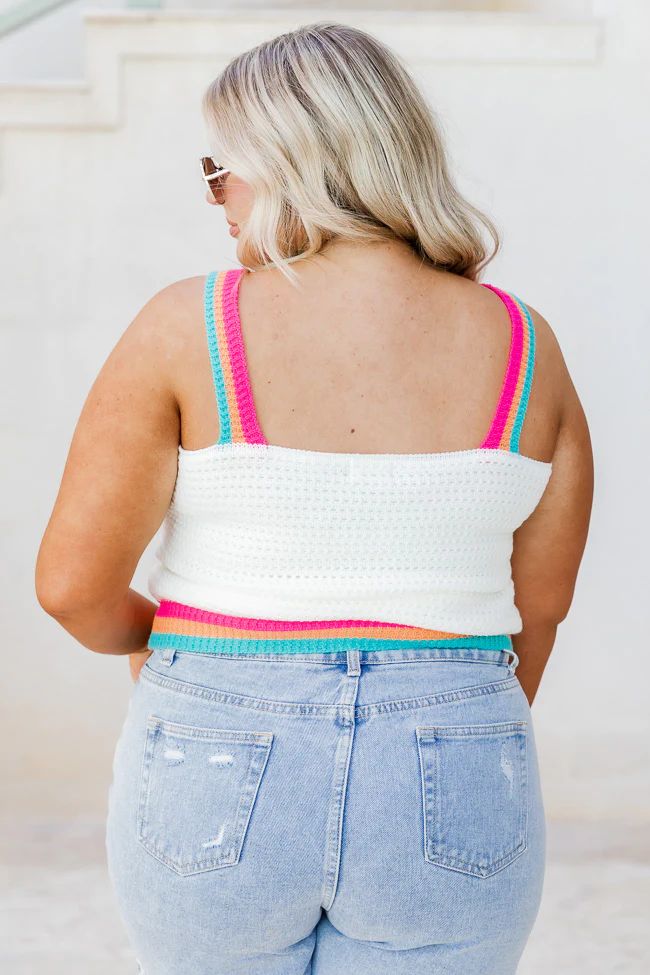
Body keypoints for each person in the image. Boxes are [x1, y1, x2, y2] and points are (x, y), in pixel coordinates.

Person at [35, 21, 593, 975]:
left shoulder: (189, 325)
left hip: (216, 742)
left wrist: (172, 645)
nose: (217, 195)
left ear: (292, 159)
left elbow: (71, 587)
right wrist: (446, 726)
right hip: (459, 735)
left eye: (222, 167)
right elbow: (537, 607)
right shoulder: (527, 346)